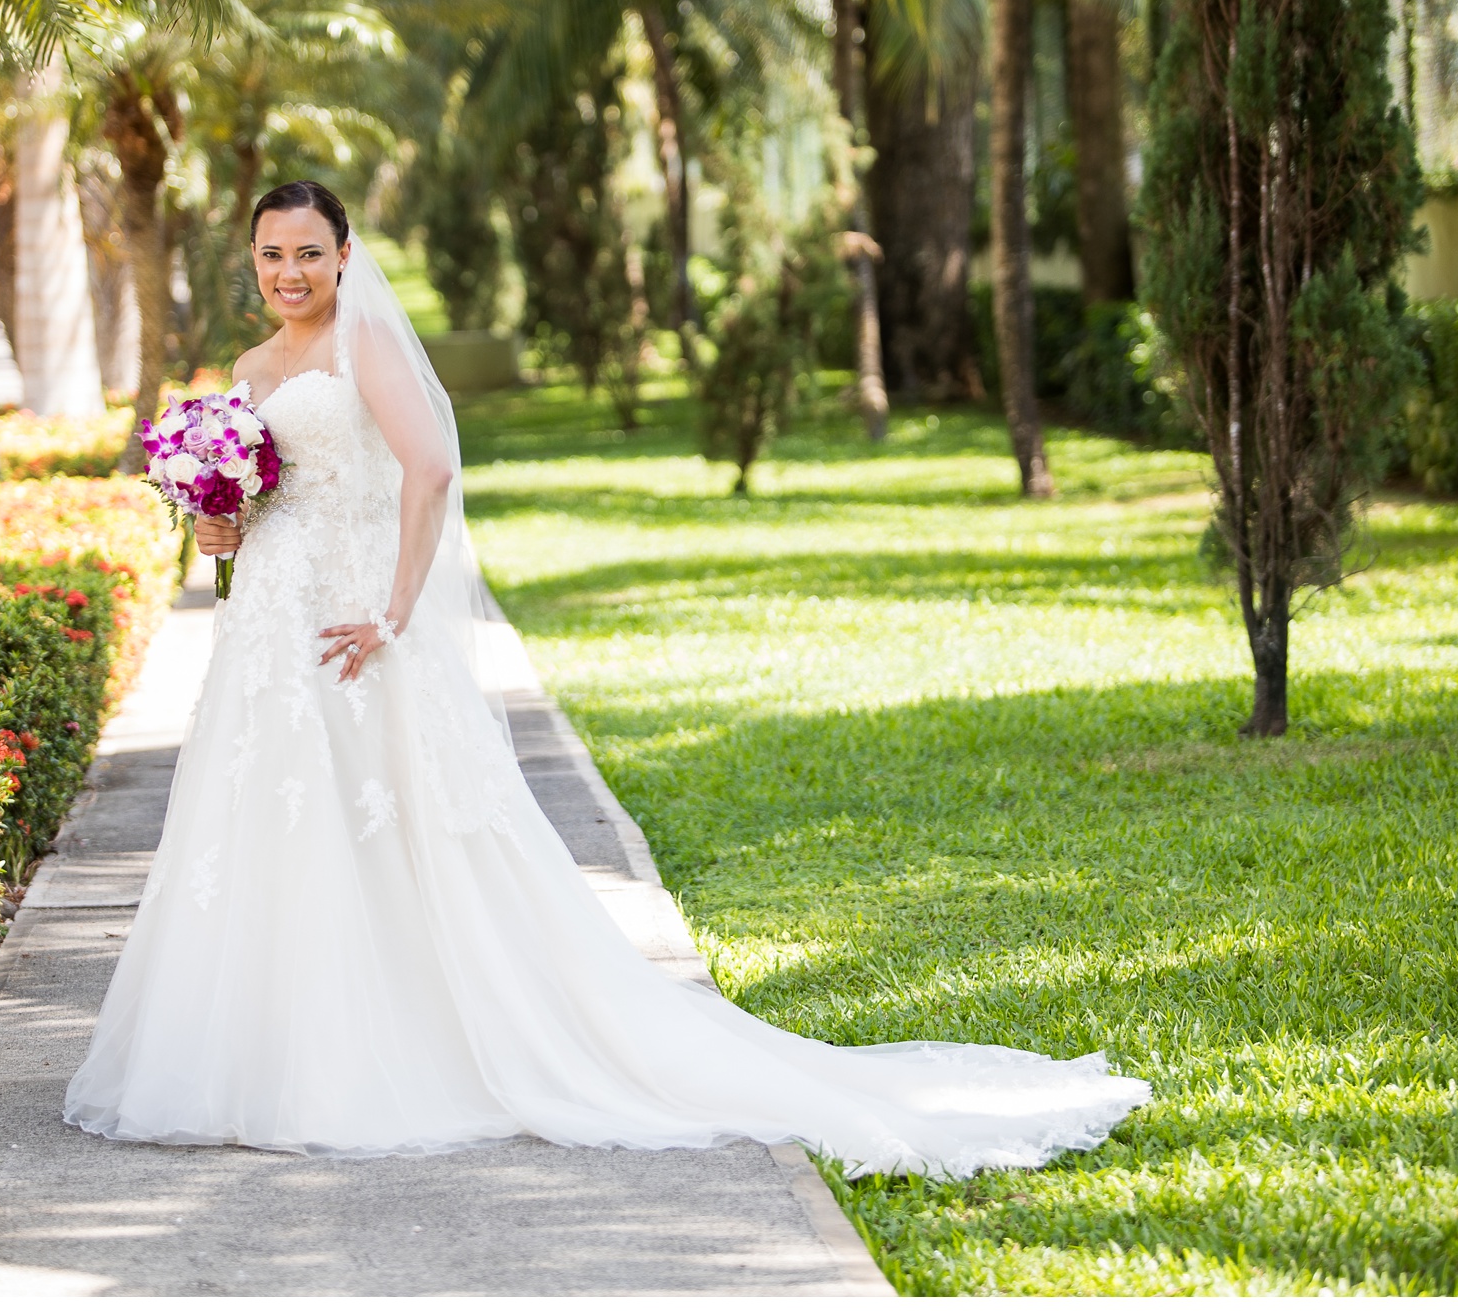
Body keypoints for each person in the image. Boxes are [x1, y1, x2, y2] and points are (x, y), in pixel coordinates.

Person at [62, 180, 1150, 1176]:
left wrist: (393, 609)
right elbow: (243, 518)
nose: (287, 271)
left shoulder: (363, 345)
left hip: (355, 627)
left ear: (345, 254)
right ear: (248, 261)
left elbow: (431, 469)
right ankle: (266, 1054)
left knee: (393, 835)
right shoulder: (249, 373)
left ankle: (393, 1053)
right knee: (277, 833)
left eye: (307, 250)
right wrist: (215, 521)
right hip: (268, 636)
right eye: (269, 254)